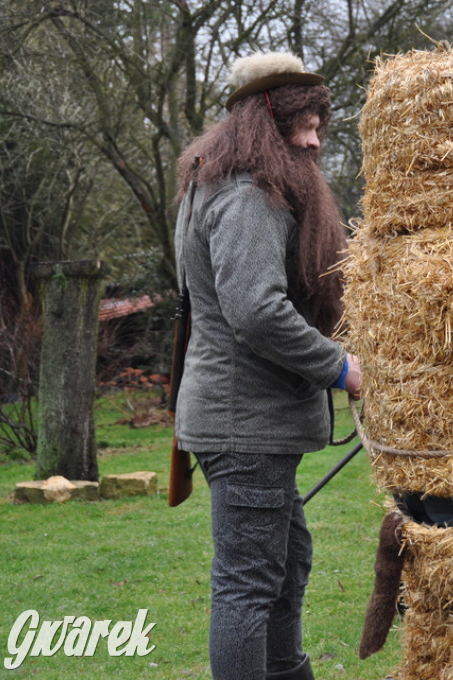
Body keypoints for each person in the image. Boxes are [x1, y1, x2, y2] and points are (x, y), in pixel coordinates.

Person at [172, 51, 360, 680]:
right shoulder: (249, 192)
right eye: (301, 125)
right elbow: (255, 311)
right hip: (244, 425)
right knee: (249, 586)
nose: (313, 139)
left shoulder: (224, 180)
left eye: (318, 124)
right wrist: (341, 368)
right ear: (262, 121)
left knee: (287, 563)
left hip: (248, 422)